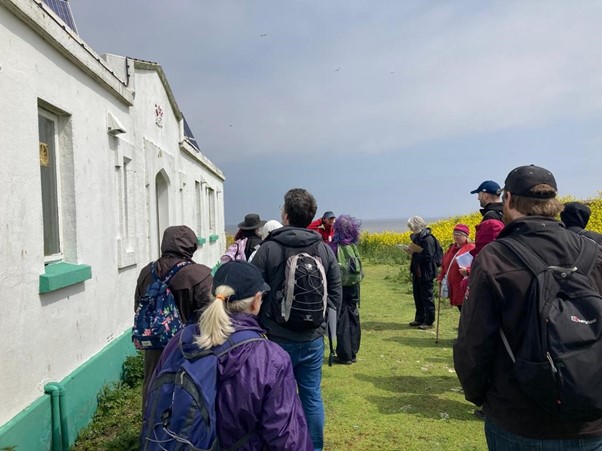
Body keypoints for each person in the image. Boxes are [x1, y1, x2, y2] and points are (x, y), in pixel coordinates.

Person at [454, 164, 602, 449]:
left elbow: (474, 341)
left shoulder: (495, 258)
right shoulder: (594, 253)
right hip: (591, 416)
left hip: (519, 416)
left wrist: (480, 396)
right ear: (554, 201)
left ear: (507, 199)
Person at [144, 261, 313, 450]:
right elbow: (286, 436)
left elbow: (155, 402)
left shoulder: (180, 341)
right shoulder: (270, 358)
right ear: (257, 300)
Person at [251, 188, 342, 451]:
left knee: (278, 398)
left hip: (277, 338)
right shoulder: (323, 249)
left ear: (286, 215)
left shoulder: (268, 248)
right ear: (311, 216)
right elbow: (335, 292)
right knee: (312, 396)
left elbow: (253, 290)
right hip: (313, 337)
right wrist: (321, 322)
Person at [134, 225, 212, 410]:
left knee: (154, 385)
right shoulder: (199, 275)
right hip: (189, 346)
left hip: (156, 347)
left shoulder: (146, 273)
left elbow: (138, 307)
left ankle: (152, 429)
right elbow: (211, 316)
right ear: (191, 246)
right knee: (188, 390)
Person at [332, 214, 363, 364]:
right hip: (354, 286)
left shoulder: (334, 247)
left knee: (341, 319)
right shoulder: (353, 247)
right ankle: (353, 352)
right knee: (353, 317)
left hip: (340, 287)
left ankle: (345, 354)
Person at [406, 216, 440, 330]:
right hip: (417, 270)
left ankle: (429, 321)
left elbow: (428, 256)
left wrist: (414, 253)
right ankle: (420, 318)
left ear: (416, 226)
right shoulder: (417, 238)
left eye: (411, 227)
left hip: (426, 272)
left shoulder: (428, 239)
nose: (410, 229)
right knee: (418, 295)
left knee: (427, 296)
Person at [436, 224, 474, 311]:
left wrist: (468, 271)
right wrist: (440, 278)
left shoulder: (471, 248)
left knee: (467, 310)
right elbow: (444, 265)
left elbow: (478, 266)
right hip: (454, 287)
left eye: (459, 234)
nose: (456, 236)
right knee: (461, 310)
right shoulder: (451, 248)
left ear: (465, 236)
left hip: (465, 287)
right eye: (455, 234)